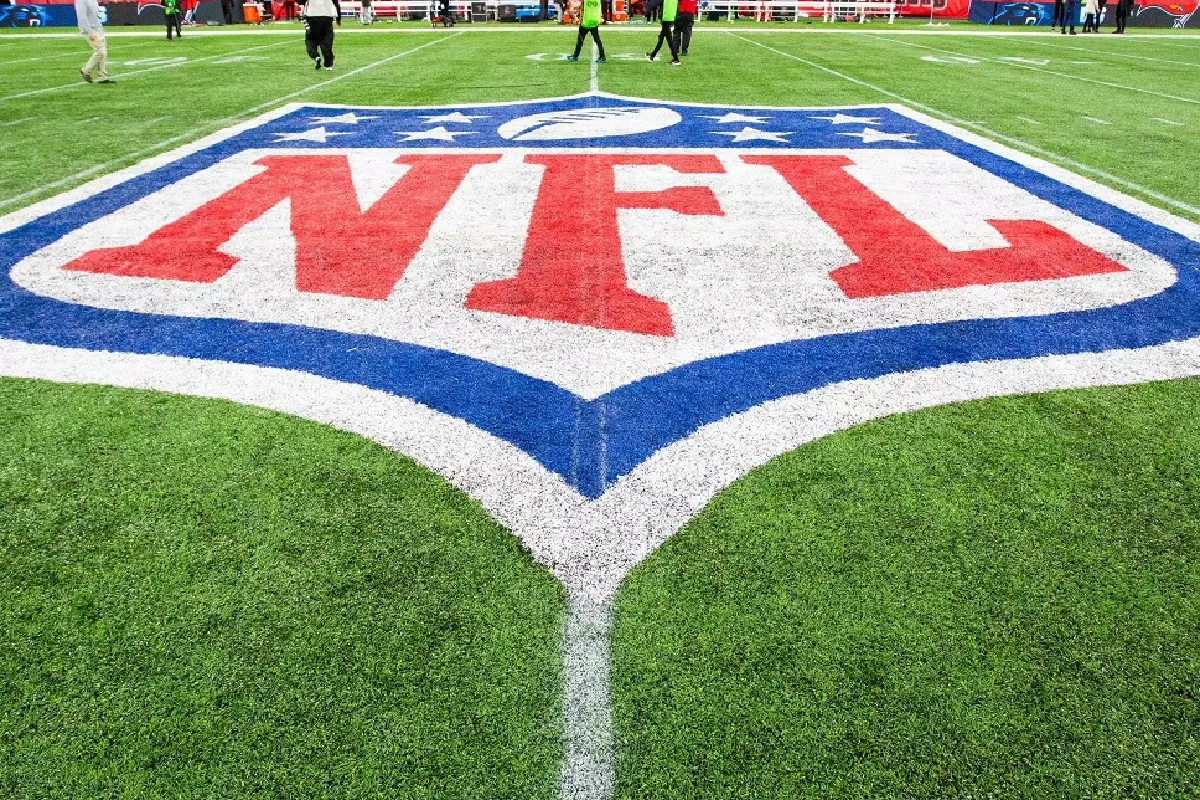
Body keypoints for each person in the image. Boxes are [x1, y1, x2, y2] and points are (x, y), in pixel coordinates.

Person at [75, 0, 112, 84]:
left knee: (103, 53)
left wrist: (100, 28)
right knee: (100, 52)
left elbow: (95, 15)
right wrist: (89, 32)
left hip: (98, 28)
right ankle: (85, 70)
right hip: (90, 29)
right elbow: (81, 16)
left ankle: (102, 76)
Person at [299, 0, 340, 69]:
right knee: (326, 39)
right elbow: (336, 3)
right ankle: (328, 64)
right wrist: (338, 18)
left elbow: (301, 2)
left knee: (310, 39)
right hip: (327, 16)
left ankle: (315, 55)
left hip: (312, 16)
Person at [647, 0, 679, 65]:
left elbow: (654, 4)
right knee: (661, 38)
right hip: (671, 17)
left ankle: (676, 59)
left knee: (669, 40)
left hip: (666, 18)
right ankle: (653, 54)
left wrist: (647, 9)